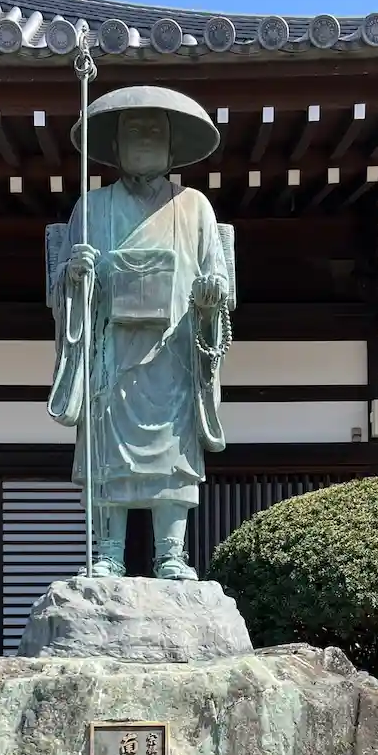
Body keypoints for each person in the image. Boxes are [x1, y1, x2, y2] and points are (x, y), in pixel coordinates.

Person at [47, 86, 233, 579]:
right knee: (108, 449)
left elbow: (218, 279)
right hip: (112, 351)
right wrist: (75, 275)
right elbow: (61, 283)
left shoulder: (195, 206)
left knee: (174, 451)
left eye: (155, 130)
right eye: (134, 130)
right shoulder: (92, 206)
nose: (145, 138)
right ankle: (108, 552)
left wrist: (212, 294)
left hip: (173, 352)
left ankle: (171, 552)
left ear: (172, 146)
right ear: (115, 145)